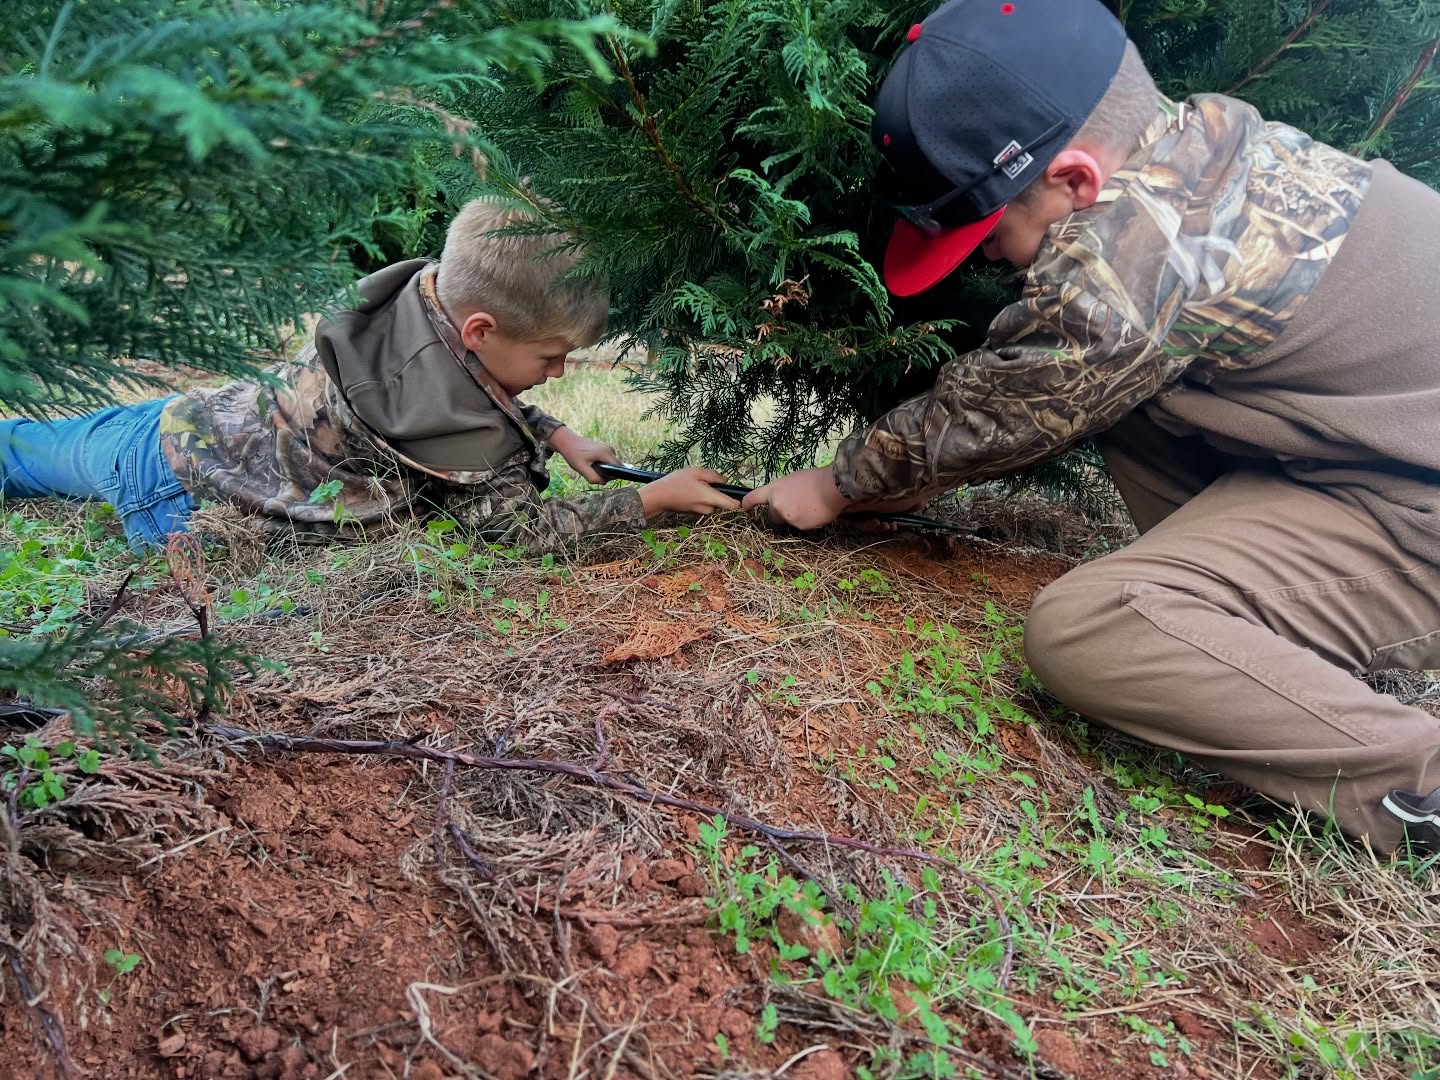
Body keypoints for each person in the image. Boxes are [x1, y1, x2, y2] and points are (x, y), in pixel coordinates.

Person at [742, 0, 1440, 854]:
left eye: (990, 231)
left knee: (1091, 628)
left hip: (1414, 509)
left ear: (1074, 180)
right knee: (1129, 399)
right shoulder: (1204, 143)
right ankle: (1253, 642)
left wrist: (836, 484)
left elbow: (997, 407)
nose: (990, 259)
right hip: (1383, 460)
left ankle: (1420, 780)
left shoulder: (1139, 253)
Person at [0, 198, 737, 553]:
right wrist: (653, 502)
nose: (560, 370)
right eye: (550, 358)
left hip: (193, 422)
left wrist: (560, 431)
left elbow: (478, 382)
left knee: (26, 450)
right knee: (32, 461)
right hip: (179, 505)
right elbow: (519, 533)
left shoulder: (416, 293)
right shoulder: (458, 435)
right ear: (480, 330)